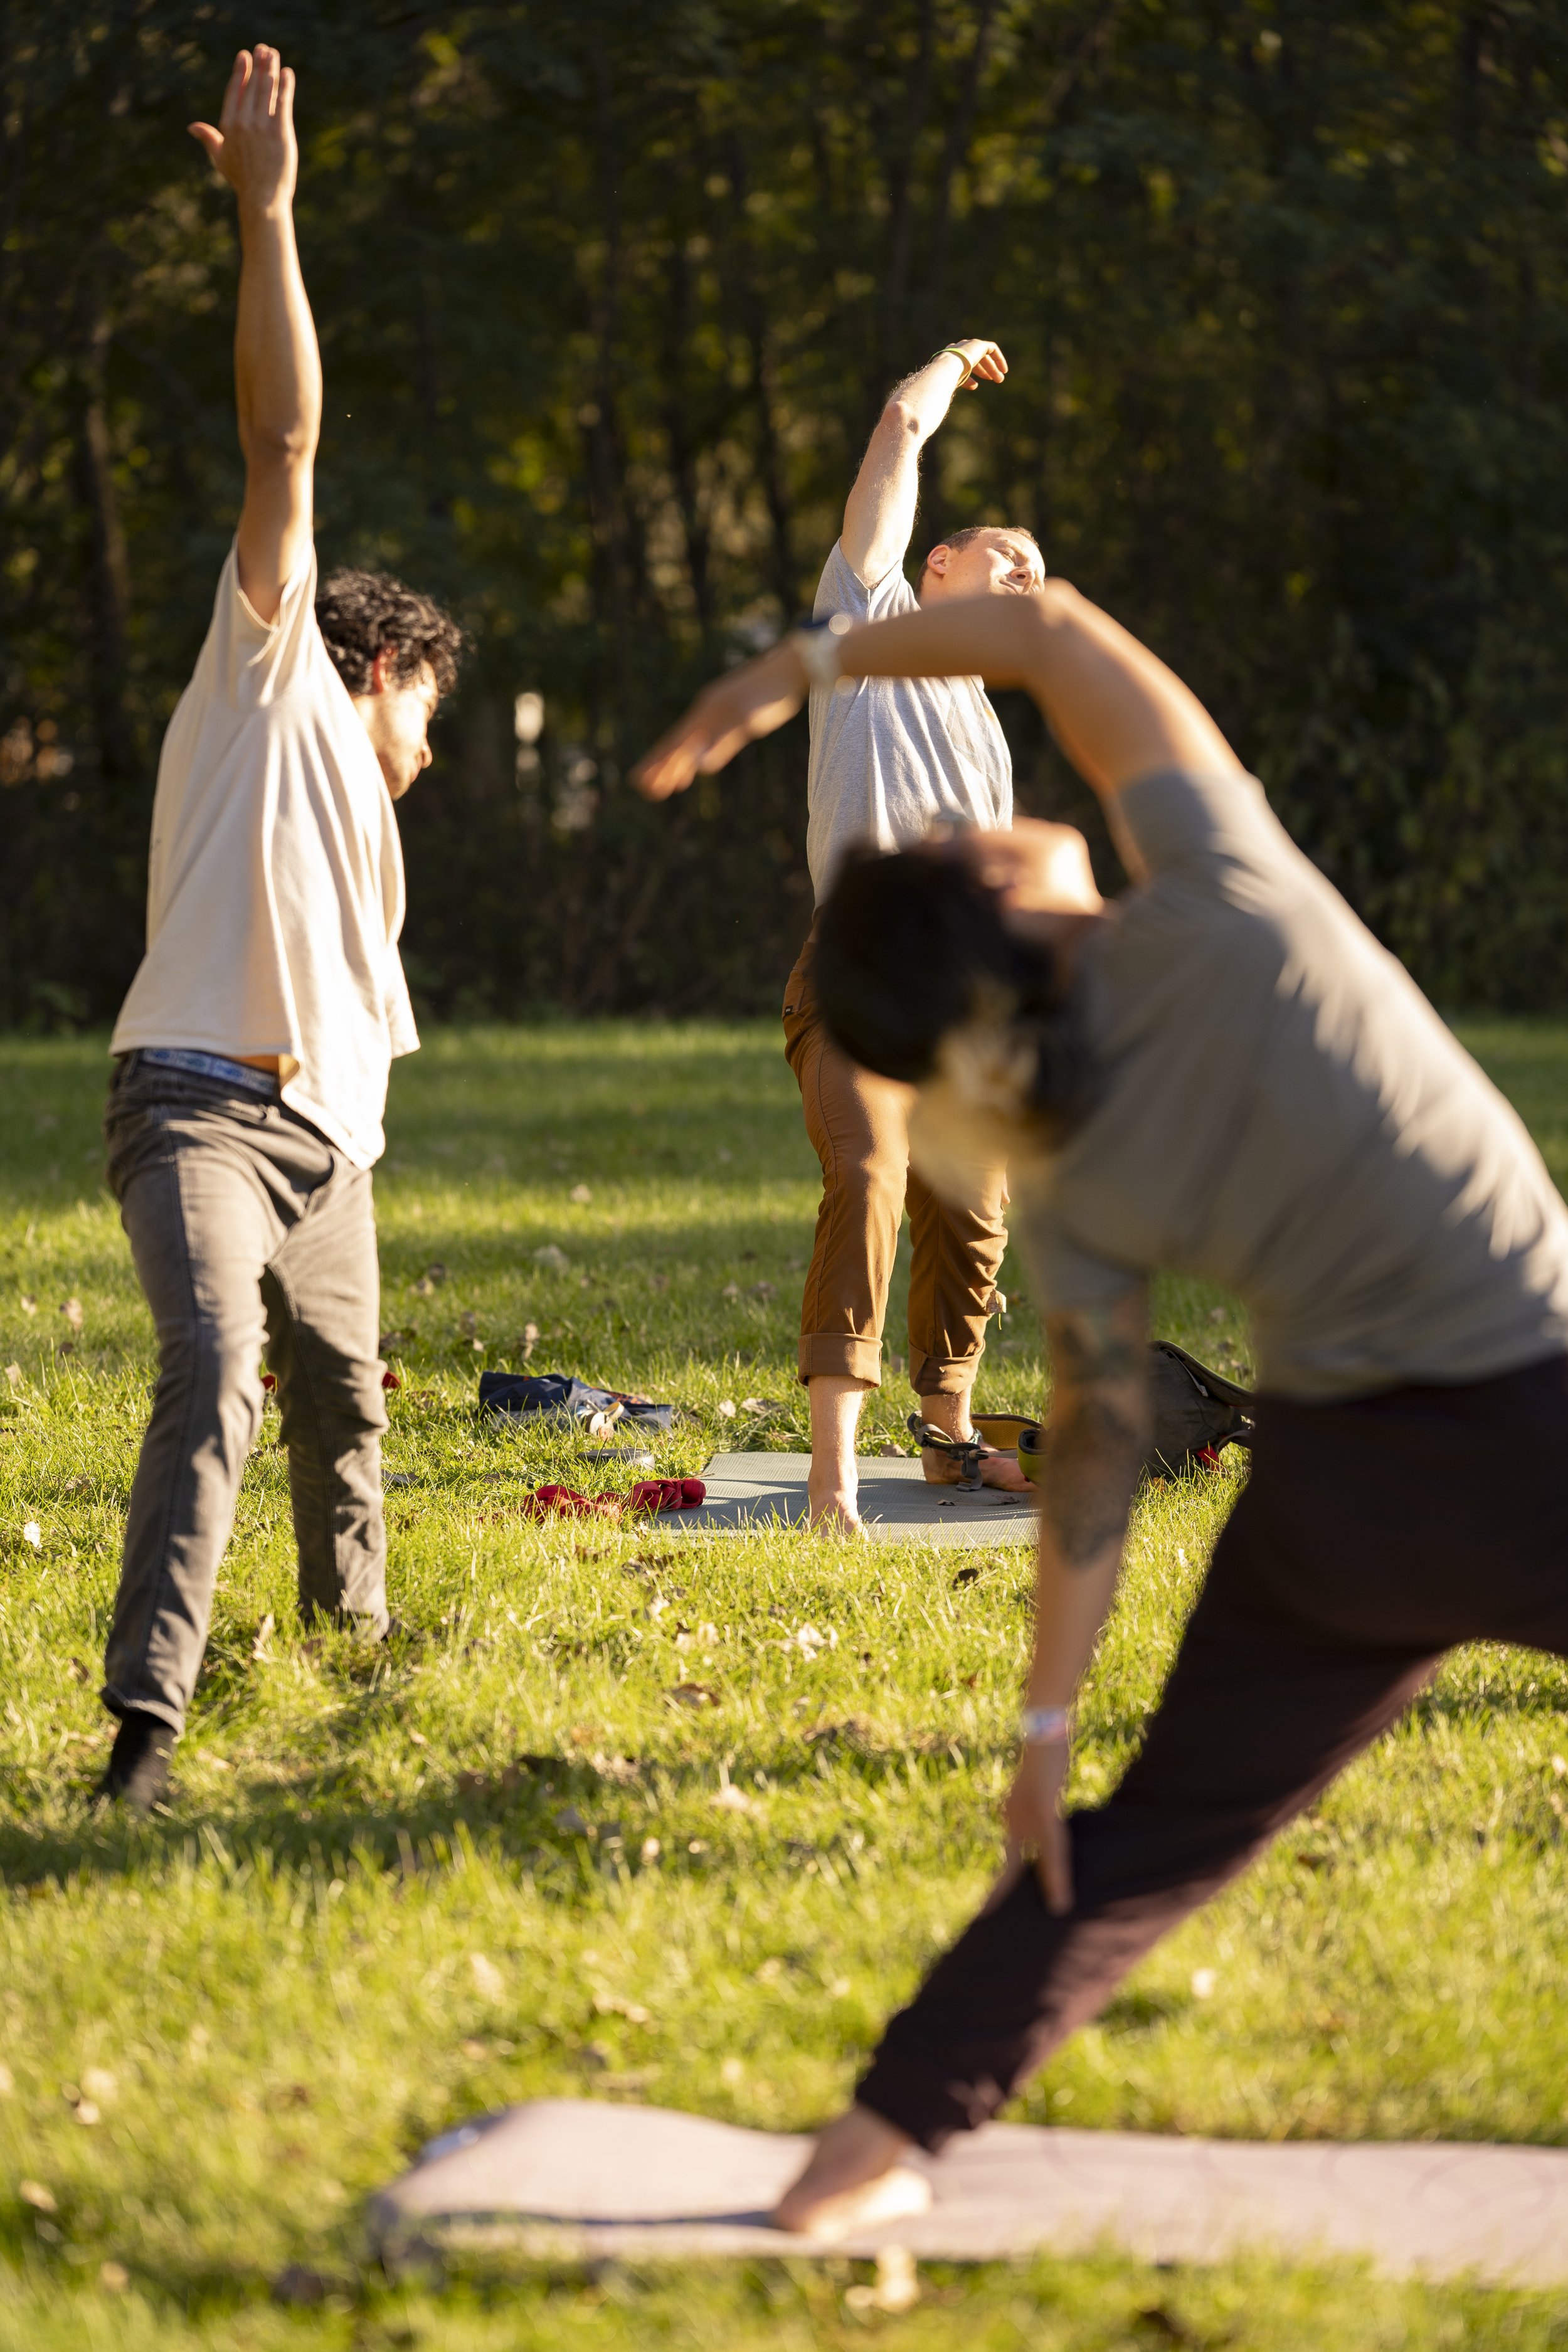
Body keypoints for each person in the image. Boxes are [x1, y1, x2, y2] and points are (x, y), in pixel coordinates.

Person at [632, 581, 1568, 2237]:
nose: (1002, 814)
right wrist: (799, 662)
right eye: (969, 833)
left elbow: (1087, 1455)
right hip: (1532, 1421)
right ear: (998, 893)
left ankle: (862, 2150)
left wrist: (1046, 1728)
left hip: (1343, 1508)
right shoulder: (1228, 902)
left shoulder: (1063, 1162)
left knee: (1145, 1843)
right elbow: (1049, 631)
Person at [95, 45, 462, 1813]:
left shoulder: (364, 843)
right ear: (375, 670)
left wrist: (354, 1157)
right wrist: (270, 212)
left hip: (330, 1151)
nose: (432, 750)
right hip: (191, 1108)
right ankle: (147, 1731)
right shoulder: (274, 683)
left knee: (348, 1401)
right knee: (220, 1369)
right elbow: (284, 436)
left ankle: (351, 1642)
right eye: (430, 710)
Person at [771, 338, 1045, 1528]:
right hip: (853, 975)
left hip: (959, 1002)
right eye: (1012, 559)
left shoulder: (988, 731)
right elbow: (896, 429)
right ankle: (833, 1481)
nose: (1032, 578)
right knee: (874, 1172)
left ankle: (947, 1437)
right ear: (939, 564)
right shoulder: (868, 622)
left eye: (1043, 572)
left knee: (978, 1209)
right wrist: (944, 367)